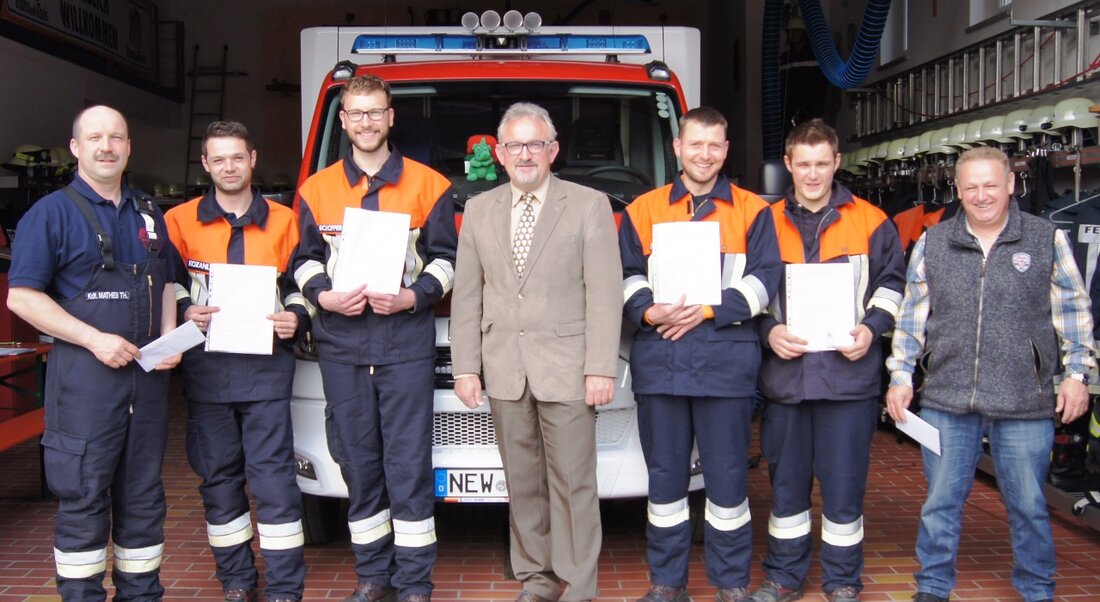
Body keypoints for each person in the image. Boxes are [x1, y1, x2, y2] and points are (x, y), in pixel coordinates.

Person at [886, 145, 1096, 602]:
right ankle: (932, 588)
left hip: (1024, 399)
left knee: (1029, 505)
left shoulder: (1045, 238)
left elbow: (1074, 310)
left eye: (990, 185)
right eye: (971, 187)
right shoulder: (934, 241)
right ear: (958, 190)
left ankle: (1037, 589)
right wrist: (900, 376)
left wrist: (1077, 374)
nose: (981, 196)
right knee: (940, 504)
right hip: (947, 398)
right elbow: (911, 316)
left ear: (1011, 185)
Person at [6, 105, 181, 600]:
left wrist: (169, 336)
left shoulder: (148, 211)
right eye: (95, 138)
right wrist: (93, 339)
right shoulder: (51, 214)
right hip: (85, 386)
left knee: (143, 500)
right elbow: (22, 297)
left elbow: (167, 282)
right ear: (76, 148)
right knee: (84, 499)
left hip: (146, 385)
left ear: (128, 148)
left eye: (116, 137)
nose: (107, 147)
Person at [293, 74, 456, 602]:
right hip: (342, 345)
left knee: (408, 465)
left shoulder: (429, 185)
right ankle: (372, 577)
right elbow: (303, 261)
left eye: (375, 112)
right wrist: (323, 296)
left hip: (404, 343)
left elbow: (447, 261)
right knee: (358, 463)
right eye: (356, 113)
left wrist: (414, 296)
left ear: (390, 117)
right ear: (343, 121)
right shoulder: (315, 190)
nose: (366, 122)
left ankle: (414, 582)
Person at [450, 102, 622, 602]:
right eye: (515, 146)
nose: (525, 154)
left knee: (573, 483)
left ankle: (579, 584)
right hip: (505, 368)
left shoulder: (588, 205)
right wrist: (465, 367)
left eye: (535, 144)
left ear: (553, 150)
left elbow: (604, 293)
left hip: (568, 368)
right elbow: (467, 295)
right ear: (500, 154)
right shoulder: (480, 210)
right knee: (523, 482)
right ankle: (537, 578)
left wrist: (600, 367)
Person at [618, 106, 782, 602]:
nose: (704, 154)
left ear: (725, 150)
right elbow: (625, 274)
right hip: (662, 363)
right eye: (695, 144)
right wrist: (648, 311)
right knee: (665, 482)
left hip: (725, 365)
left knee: (728, 480)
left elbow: (765, 281)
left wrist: (709, 310)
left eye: (714, 145)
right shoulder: (643, 210)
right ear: (678, 148)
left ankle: (730, 583)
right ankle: (667, 583)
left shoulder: (753, 211)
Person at [751, 119, 905, 602]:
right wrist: (768, 332)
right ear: (789, 165)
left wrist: (872, 329)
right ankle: (783, 576)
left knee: (844, 487)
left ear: (837, 162)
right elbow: (746, 292)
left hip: (847, 379)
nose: (813, 174)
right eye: (804, 164)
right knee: (787, 487)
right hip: (787, 378)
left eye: (822, 163)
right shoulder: (764, 222)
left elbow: (893, 285)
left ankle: (842, 580)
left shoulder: (872, 221)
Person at [164, 121, 310, 602]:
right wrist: (186, 308)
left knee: (274, 481)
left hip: (267, 369)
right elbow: (169, 284)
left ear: (253, 160)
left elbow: (301, 284)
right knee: (219, 479)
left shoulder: (286, 221)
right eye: (219, 159)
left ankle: (285, 586)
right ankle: (237, 581)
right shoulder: (178, 221)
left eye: (237, 157)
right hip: (207, 370)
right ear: (206, 164)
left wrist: (296, 317)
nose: (229, 167)